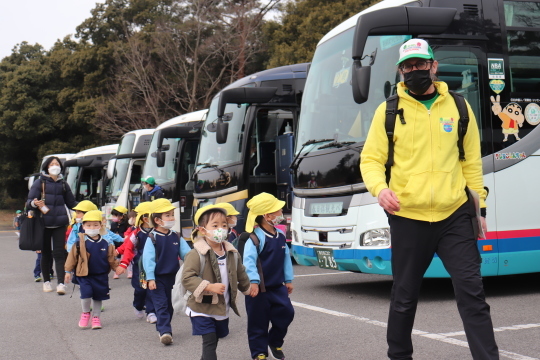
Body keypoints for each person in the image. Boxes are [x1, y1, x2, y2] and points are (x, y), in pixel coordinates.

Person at [360, 39, 499, 360]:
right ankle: (399, 356)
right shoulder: (389, 111)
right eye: (408, 66)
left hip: (455, 216)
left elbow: (471, 164)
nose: (415, 71)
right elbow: (370, 160)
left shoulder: (460, 108)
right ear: (401, 70)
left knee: (472, 294)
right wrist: (381, 190)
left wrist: (480, 209)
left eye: (421, 64)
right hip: (409, 218)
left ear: (433, 66)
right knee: (404, 297)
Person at [182, 206, 251, 360]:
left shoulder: (231, 253)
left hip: (221, 306)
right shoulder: (196, 254)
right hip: (201, 306)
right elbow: (187, 278)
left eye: (224, 225)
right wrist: (208, 286)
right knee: (210, 339)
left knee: (217, 337)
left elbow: (240, 272)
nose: (221, 229)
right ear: (203, 230)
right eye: (215, 226)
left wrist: (248, 288)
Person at [243, 192, 294, 360]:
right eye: (278, 211)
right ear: (267, 216)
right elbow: (248, 261)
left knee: (287, 313)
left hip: (277, 287)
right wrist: (254, 282)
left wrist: (288, 280)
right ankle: (259, 352)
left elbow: (285, 258)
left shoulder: (279, 236)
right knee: (258, 323)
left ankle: (274, 341)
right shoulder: (255, 239)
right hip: (259, 290)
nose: (282, 214)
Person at [142, 198, 191, 345]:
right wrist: (150, 278)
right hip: (157, 279)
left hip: (174, 278)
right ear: (157, 220)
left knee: (170, 306)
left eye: (172, 215)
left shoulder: (176, 236)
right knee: (161, 305)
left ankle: (163, 327)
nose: (171, 218)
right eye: (167, 215)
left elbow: (187, 255)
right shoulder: (152, 238)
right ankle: (165, 331)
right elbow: (148, 260)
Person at [27, 156, 77, 294]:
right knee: (46, 254)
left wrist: (86, 208)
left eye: (57, 164)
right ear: (47, 167)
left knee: (59, 253)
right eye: (52, 164)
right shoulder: (39, 183)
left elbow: (72, 203)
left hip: (60, 223)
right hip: (43, 223)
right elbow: (29, 202)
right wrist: (34, 204)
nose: (55, 166)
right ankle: (47, 281)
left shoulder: (63, 184)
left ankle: (61, 284)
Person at [64, 210, 118, 329]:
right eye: (88, 225)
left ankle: (96, 317)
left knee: (99, 296)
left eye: (95, 225)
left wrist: (117, 268)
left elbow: (111, 258)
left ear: (101, 226)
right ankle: (85, 313)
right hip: (84, 275)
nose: (92, 227)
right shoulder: (79, 242)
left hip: (101, 275)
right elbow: (71, 257)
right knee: (86, 294)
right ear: (83, 226)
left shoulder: (106, 242)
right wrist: (68, 271)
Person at [115, 202, 157, 322]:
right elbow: (128, 248)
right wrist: (123, 263)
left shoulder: (158, 231)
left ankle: (151, 312)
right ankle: (138, 305)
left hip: (155, 266)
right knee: (141, 289)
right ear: (144, 218)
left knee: (152, 289)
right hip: (141, 267)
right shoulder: (136, 233)